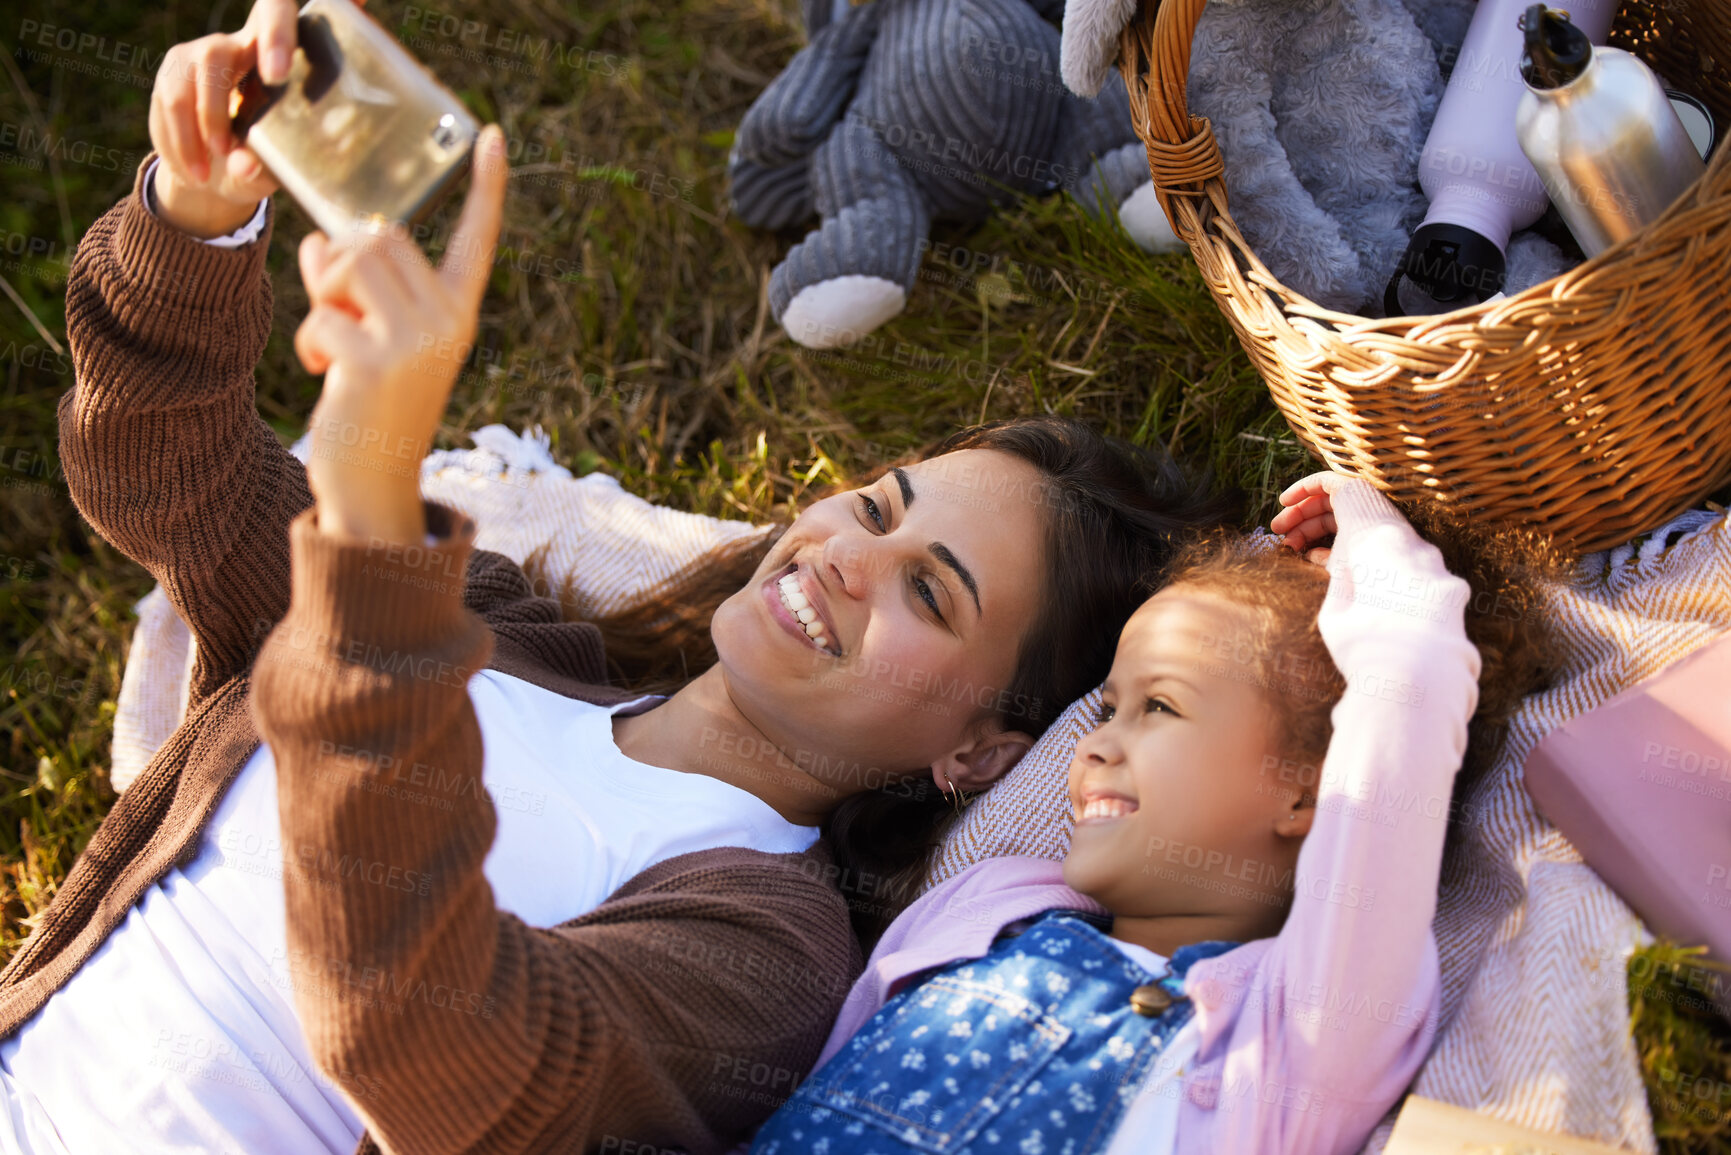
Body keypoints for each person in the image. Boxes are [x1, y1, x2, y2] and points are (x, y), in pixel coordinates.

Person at [0, 2, 1229, 1152]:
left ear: (980, 752)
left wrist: (374, 506)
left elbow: (428, 1040)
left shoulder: (765, 956)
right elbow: (169, 474)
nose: (849, 558)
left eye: (930, 591)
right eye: (874, 504)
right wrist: (202, 219)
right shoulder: (484, 616)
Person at [750, 474, 1552, 1155]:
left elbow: (1408, 688)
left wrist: (1366, 520)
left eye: (1158, 707)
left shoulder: (1298, 1032)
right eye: (1105, 708)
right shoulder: (990, 900)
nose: (1094, 746)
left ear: (1308, 787)